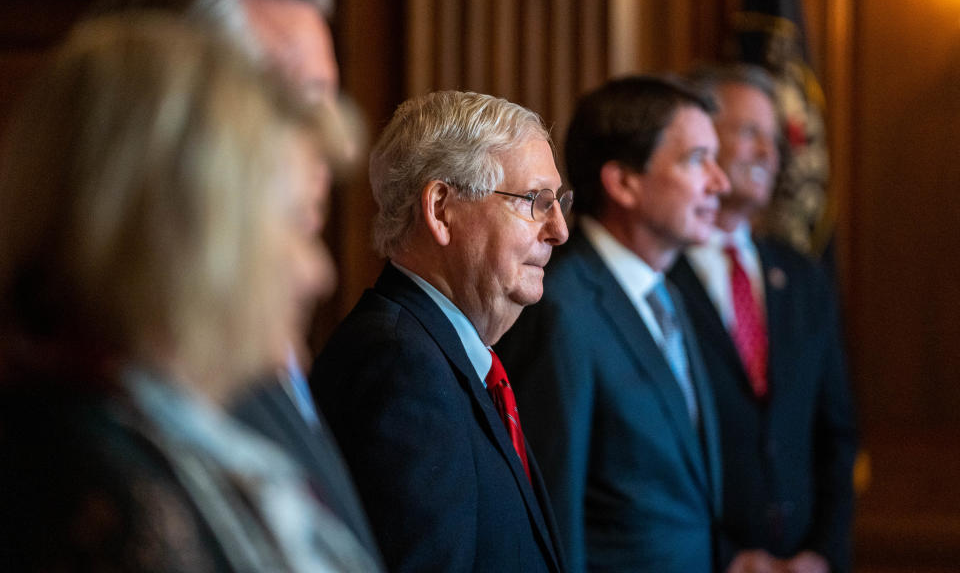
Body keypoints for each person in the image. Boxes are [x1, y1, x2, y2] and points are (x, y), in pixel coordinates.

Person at [0, 15, 379, 572]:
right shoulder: (87, 493)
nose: (318, 273)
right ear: (186, 237)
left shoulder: (156, 433)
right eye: (298, 224)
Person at [88, 0, 380, 561]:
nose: (325, 147)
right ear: (167, 113)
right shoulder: (93, 409)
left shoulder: (253, 341)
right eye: (292, 106)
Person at [310, 90, 570, 573]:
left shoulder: (439, 354)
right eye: (536, 201)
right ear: (441, 209)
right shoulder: (400, 368)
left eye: (559, 203)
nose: (559, 230)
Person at [496, 75, 730, 572]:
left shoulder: (670, 294)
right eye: (696, 160)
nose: (720, 182)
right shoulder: (562, 309)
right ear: (623, 181)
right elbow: (554, 514)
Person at [667, 64, 857, 573]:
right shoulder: (658, 277)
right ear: (701, 140)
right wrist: (725, 559)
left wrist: (823, 554)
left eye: (773, 139)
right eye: (750, 132)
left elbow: (837, 434)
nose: (769, 154)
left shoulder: (803, 278)